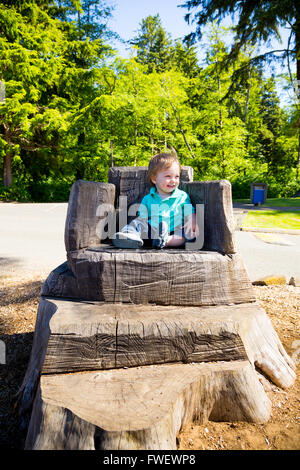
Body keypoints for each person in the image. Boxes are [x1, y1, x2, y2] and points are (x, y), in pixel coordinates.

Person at [112, 153, 199, 249]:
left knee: (186, 235)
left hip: (175, 230)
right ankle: (130, 236)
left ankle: (165, 241)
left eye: (176, 176)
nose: (173, 180)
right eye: (168, 176)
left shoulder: (182, 196)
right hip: (153, 231)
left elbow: (189, 211)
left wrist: (192, 221)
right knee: (137, 223)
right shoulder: (148, 198)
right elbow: (142, 218)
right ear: (154, 179)